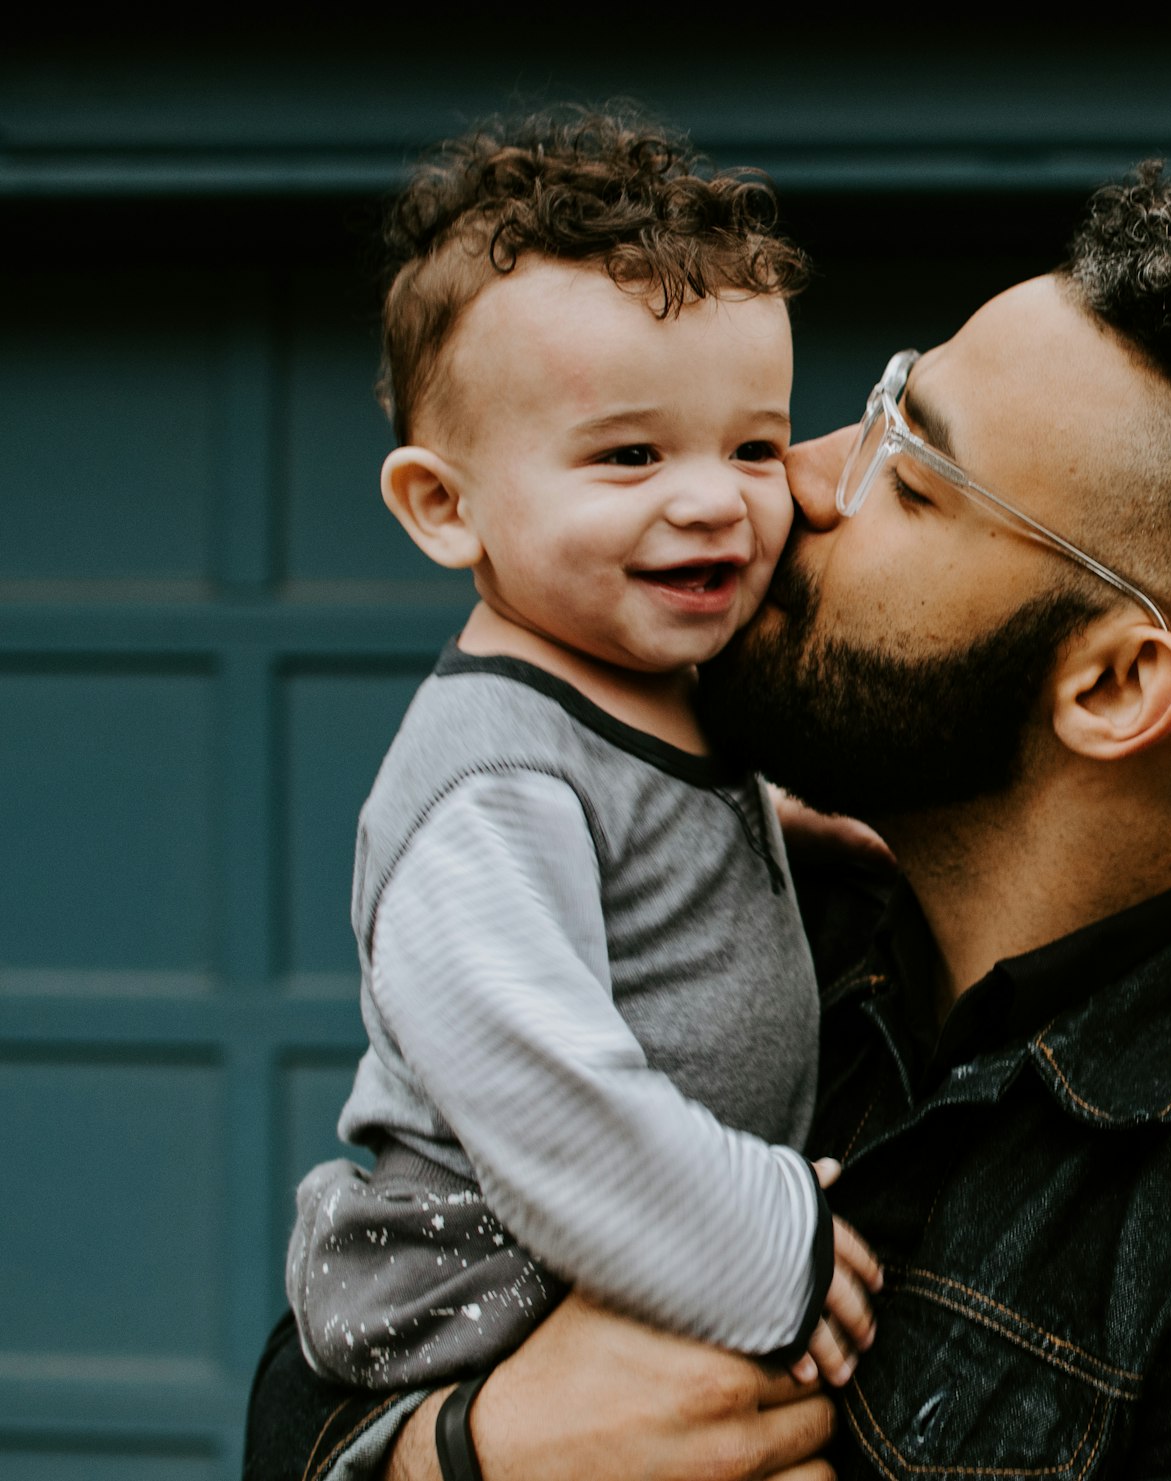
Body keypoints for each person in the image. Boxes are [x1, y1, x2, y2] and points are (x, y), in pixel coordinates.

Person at [246, 155, 1171, 1481]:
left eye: (909, 478)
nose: (788, 484)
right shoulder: (737, 913)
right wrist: (465, 1456)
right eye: (870, 416)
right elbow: (320, 1366)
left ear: (1113, 682)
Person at [280, 107, 879, 1400]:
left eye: (755, 446)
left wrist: (779, 823)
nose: (714, 497)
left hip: (616, 1251)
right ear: (446, 507)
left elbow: (647, 829)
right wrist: (770, 1245)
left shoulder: (653, 684)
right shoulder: (490, 785)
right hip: (479, 1282)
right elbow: (547, 1093)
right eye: (629, 454)